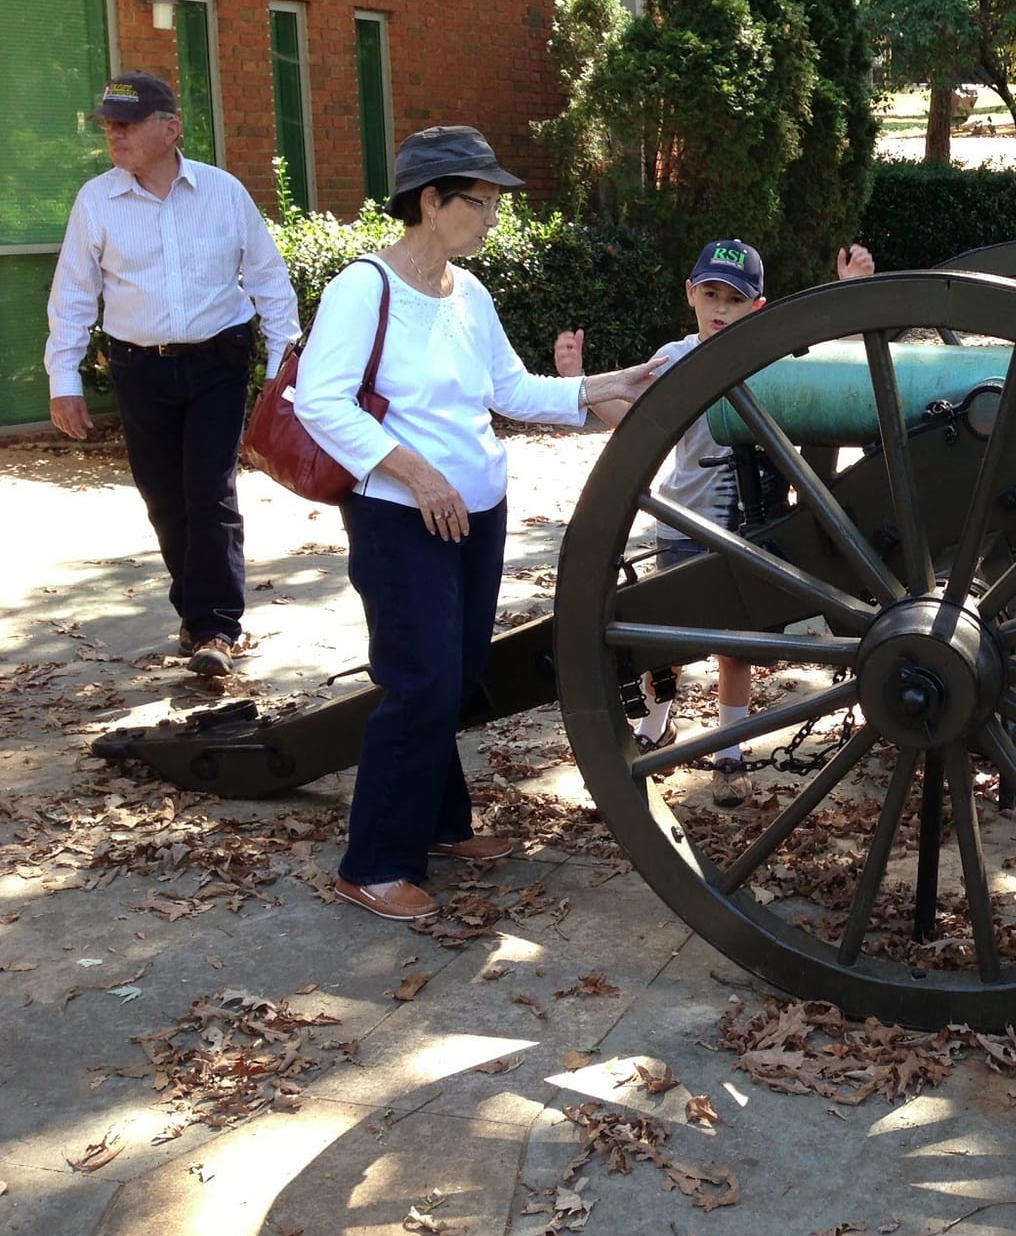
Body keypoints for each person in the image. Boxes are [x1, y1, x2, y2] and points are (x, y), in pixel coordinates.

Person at [294, 126, 665, 922]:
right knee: (420, 679)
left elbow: (511, 390)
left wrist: (609, 382)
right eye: (483, 202)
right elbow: (320, 402)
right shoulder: (364, 288)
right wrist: (417, 473)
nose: (495, 217)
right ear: (431, 201)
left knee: (457, 676)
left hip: (477, 514)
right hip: (401, 518)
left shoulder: (469, 292)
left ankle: (438, 823)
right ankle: (372, 865)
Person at [553, 239, 873, 806]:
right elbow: (635, 424)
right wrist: (579, 381)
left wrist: (849, 294)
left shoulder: (768, 357)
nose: (720, 308)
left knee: (735, 647)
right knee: (664, 640)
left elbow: (824, 365)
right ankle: (656, 724)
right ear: (691, 295)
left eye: (735, 299)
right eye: (711, 295)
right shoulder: (672, 358)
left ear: (758, 306)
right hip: (683, 519)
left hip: (744, 532)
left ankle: (730, 747)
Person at [44, 71, 301, 680]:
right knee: (163, 498)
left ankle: (215, 626)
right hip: (138, 369)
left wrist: (281, 367)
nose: (115, 135)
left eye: (127, 124)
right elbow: (73, 295)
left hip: (218, 362)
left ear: (171, 129)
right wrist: (64, 380)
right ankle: (195, 611)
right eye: (109, 125)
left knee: (210, 492)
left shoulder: (222, 192)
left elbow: (268, 278)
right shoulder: (96, 201)